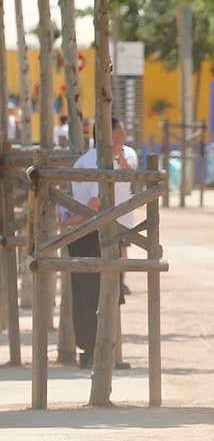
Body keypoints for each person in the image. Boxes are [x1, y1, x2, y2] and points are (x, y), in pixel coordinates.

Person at [67, 117, 139, 370]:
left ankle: (110, 352)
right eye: (118, 135)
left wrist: (118, 160)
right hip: (87, 232)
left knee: (113, 294)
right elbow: (90, 203)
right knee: (87, 294)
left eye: (123, 135)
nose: (122, 139)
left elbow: (132, 178)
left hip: (117, 233)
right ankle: (88, 351)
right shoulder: (86, 162)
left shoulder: (128, 154)